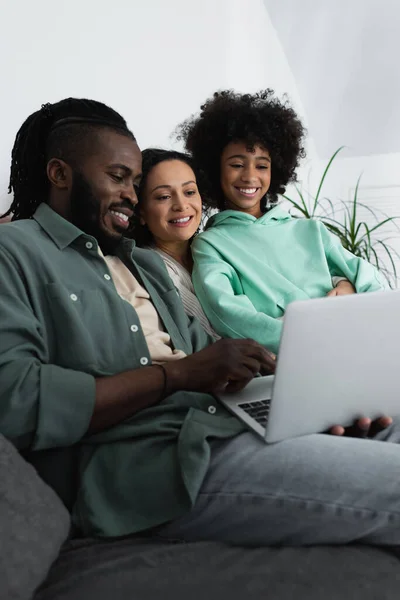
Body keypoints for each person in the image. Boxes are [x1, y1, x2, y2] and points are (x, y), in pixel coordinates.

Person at [0, 98, 399, 547]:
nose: (131, 194)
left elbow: (207, 361)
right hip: (158, 463)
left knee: (389, 424)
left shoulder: (143, 265)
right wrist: (175, 375)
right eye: (118, 178)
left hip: (223, 423)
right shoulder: (13, 252)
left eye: (135, 181)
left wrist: (315, 409)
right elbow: (17, 402)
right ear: (59, 174)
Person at [178, 90, 386, 354]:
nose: (250, 176)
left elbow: (371, 281)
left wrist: (348, 289)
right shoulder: (210, 244)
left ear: (276, 169)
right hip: (293, 358)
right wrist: (316, 333)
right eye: (237, 164)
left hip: (354, 345)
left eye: (262, 166)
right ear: (214, 169)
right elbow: (229, 315)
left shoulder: (309, 229)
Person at [133, 147, 218, 339]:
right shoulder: (149, 269)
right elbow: (213, 340)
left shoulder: (213, 249)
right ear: (141, 212)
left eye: (189, 192)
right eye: (164, 196)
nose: (181, 205)